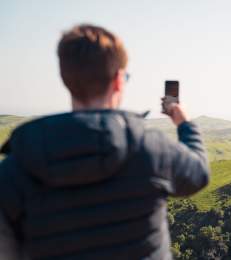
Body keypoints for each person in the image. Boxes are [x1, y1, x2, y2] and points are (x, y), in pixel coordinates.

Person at [0, 24, 210, 260]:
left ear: (65, 78)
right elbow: (199, 174)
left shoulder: (14, 169)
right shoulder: (152, 148)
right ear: (119, 80)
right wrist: (184, 123)